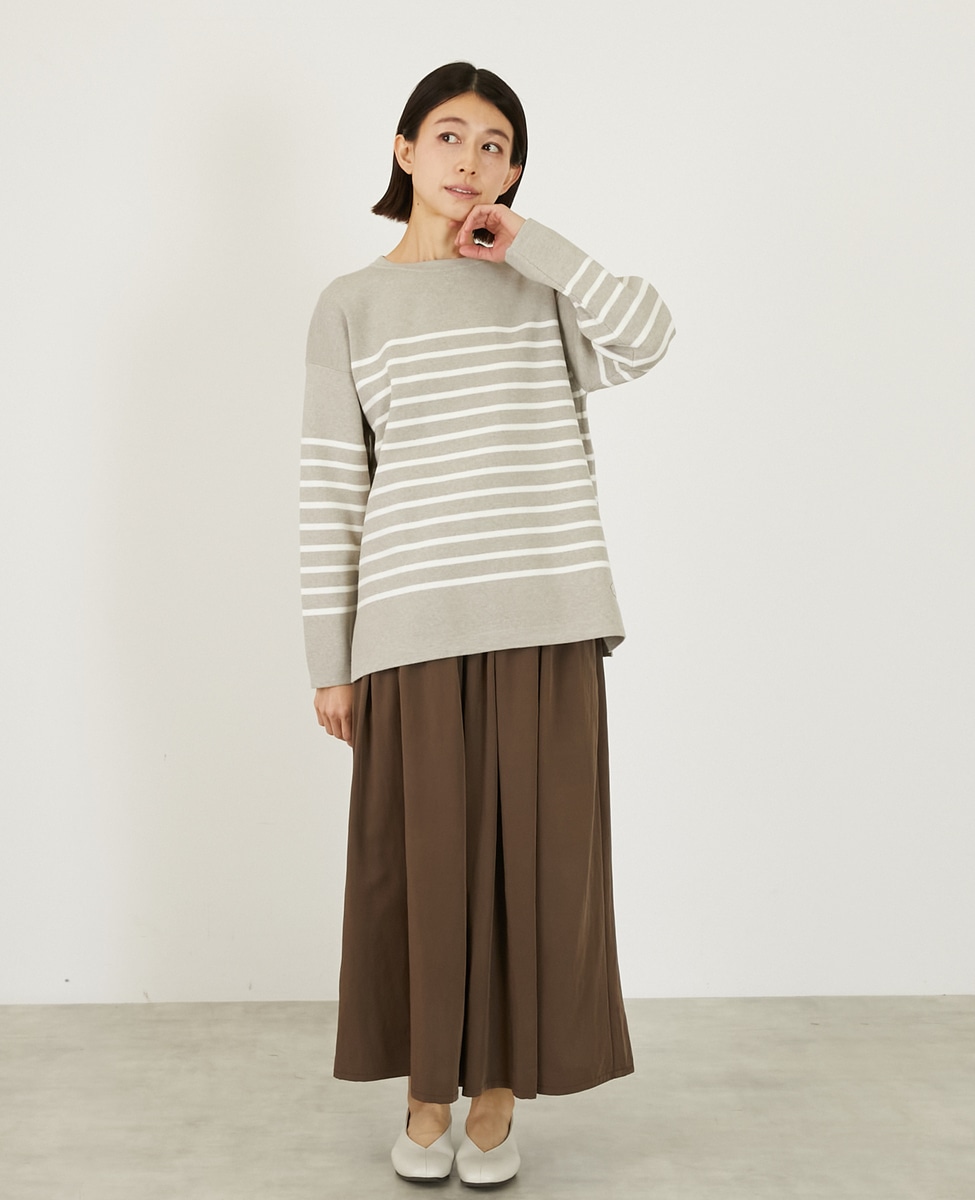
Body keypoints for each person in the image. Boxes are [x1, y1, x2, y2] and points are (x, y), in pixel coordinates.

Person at [299, 61, 675, 1186]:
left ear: (514, 172)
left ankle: (500, 1094)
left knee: (539, 870)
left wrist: (536, 246)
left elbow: (651, 335)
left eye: (497, 145)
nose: (471, 161)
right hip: (409, 628)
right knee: (421, 872)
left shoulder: (538, 287)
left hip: (547, 616)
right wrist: (330, 660)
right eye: (451, 136)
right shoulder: (350, 304)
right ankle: (427, 1095)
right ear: (405, 149)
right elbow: (332, 488)